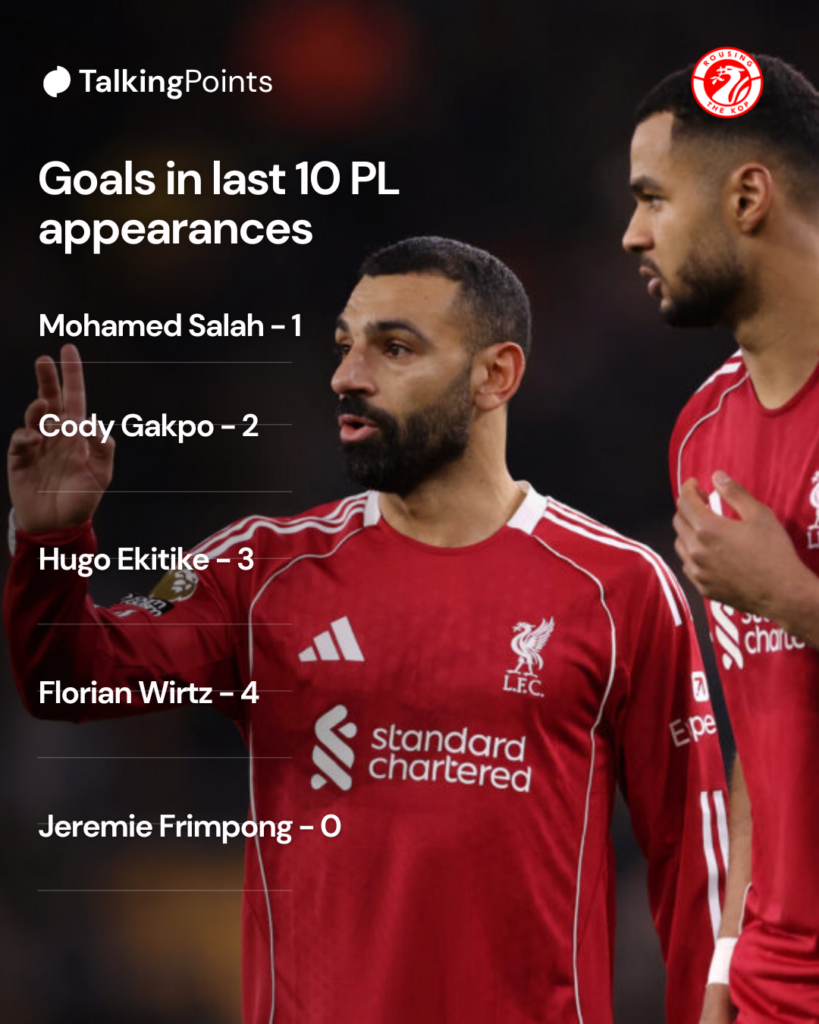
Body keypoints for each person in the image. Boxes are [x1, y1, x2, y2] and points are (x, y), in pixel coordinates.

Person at [6, 236, 725, 1024]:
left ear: (496, 375)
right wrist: (49, 544)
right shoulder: (257, 566)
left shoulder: (620, 589)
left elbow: (696, 869)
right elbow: (68, 679)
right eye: (345, 346)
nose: (347, 376)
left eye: (394, 348)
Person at [623, 56, 819, 1024]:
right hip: (776, 983)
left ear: (747, 195)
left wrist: (795, 598)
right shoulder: (703, 427)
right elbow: (760, 715)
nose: (632, 233)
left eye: (654, 197)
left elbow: (788, 622)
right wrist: (725, 964)